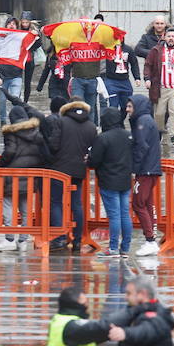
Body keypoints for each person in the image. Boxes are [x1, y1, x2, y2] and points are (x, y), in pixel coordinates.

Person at [0, 105, 45, 252]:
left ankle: (9, 238)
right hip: (30, 176)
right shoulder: (36, 132)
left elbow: (9, 151)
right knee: (26, 208)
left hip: (13, 175)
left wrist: (1, 163)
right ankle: (23, 240)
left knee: (8, 204)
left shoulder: (12, 133)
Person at [47, 100, 97, 252]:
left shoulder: (62, 122)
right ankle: (77, 239)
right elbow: (94, 149)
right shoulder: (91, 126)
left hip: (59, 169)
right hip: (78, 169)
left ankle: (59, 238)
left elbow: (53, 145)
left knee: (56, 202)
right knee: (77, 204)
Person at [88, 107, 133, 258]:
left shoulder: (103, 138)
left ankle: (113, 248)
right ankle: (125, 248)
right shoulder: (128, 135)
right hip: (125, 179)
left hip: (108, 180)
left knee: (114, 216)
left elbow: (94, 161)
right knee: (125, 214)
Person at [144, 27, 174, 145]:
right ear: (164, 37)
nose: (171, 39)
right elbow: (148, 65)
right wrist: (147, 79)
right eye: (169, 36)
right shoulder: (156, 50)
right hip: (160, 87)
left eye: (173, 36)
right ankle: (159, 132)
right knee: (159, 113)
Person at [128, 94, 161, 257]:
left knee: (138, 204)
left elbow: (141, 147)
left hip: (145, 170)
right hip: (152, 169)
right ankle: (151, 239)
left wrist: (133, 167)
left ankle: (150, 240)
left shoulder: (142, 122)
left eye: (130, 107)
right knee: (147, 204)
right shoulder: (148, 120)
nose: (127, 110)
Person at [0, 20, 27, 126]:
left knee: (15, 98)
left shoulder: (20, 37)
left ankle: (16, 119)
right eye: (9, 23)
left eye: (14, 23)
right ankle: (3, 121)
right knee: (2, 101)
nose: (11, 25)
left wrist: (36, 34)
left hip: (16, 75)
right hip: (2, 76)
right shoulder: (1, 38)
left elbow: (35, 43)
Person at [68, 37, 103, 126]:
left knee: (90, 107)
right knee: (77, 104)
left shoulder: (99, 42)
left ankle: (89, 128)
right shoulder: (74, 43)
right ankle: (77, 126)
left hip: (92, 78)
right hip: (78, 78)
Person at [101, 41, 140, 111]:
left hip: (125, 81)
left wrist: (137, 77)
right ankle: (113, 121)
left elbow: (134, 63)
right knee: (113, 105)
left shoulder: (128, 49)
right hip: (111, 80)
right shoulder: (108, 49)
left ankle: (120, 121)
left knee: (126, 105)